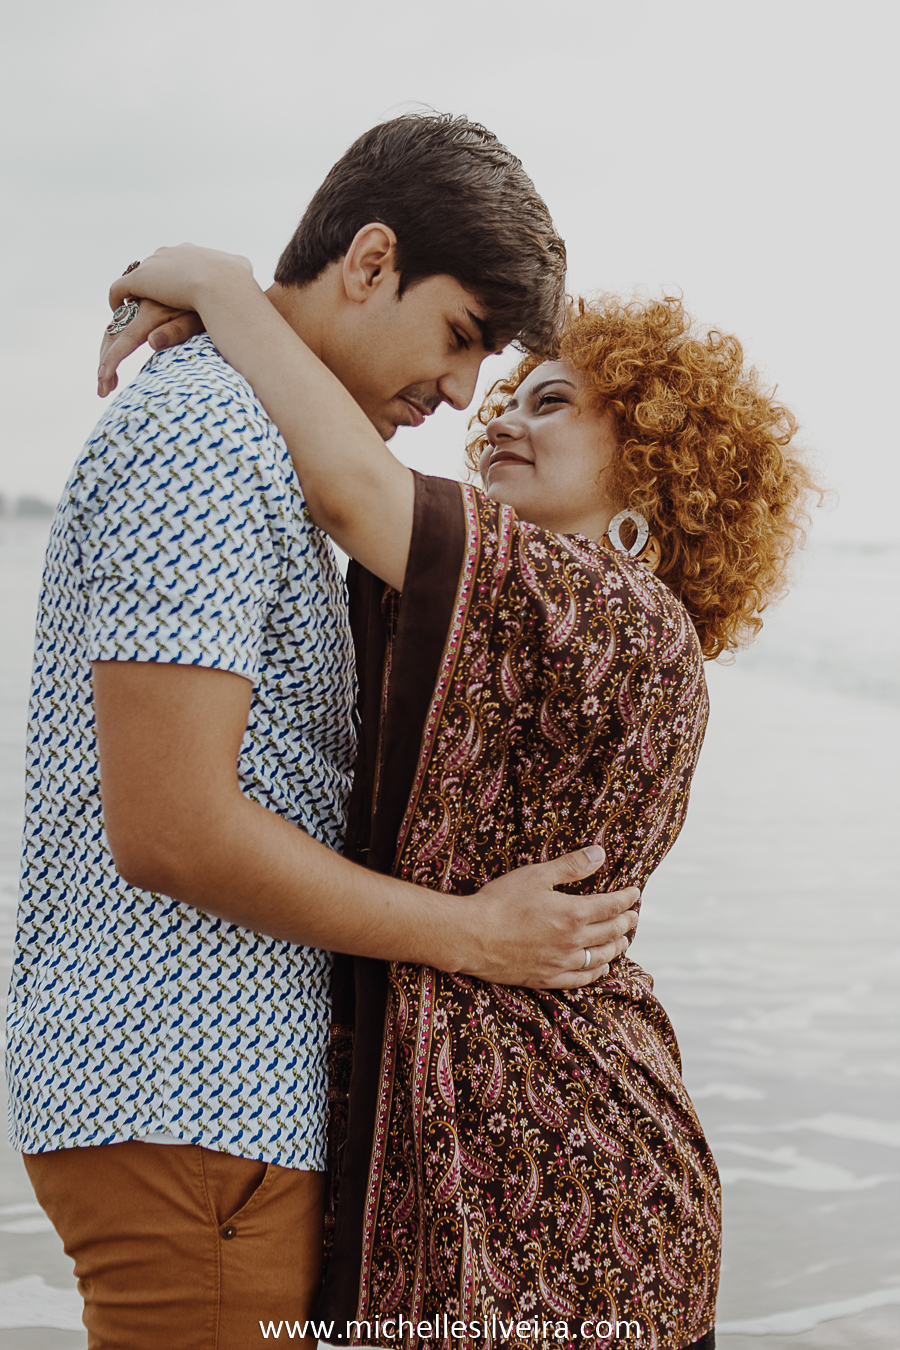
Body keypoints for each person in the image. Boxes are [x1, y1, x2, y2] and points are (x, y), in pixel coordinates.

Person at [103, 246, 818, 1349]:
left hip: (570, 1184)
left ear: (660, 467)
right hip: (494, 1160)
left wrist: (220, 287)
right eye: (507, 398)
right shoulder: (510, 612)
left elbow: (346, 485)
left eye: (556, 402)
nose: (502, 419)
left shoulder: (617, 615)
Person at [6, 116, 641, 1350]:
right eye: (462, 335)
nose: (463, 390)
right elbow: (175, 828)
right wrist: (477, 939)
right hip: (188, 1102)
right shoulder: (205, 438)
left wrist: (218, 286)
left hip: (224, 1110)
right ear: (369, 261)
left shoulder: (281, 451)